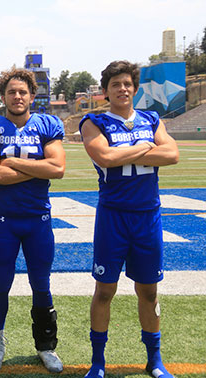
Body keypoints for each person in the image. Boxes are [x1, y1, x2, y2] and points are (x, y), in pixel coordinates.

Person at [79, 60, 179, 378]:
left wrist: (130, 150)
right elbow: (105, 157)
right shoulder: (93, 122)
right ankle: (98, 362)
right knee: (105, 290)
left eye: (127, 83)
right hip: (113, 217)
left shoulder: (151, 118)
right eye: (115, 84)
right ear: (105, 91)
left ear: (134, 88)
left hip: (148, 215)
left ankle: (155, 359)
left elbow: (172, 154)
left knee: (149, 291)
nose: (122, 89)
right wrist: (144, 145)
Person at [0, 67, 66, 374]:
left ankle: (45, 345)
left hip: (38, 219)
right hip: (4, 220)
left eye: (23, 92)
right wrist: (36, 165)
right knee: (1, 284)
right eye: (12, 91)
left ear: (31, 96)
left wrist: (11, 160)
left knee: (41, 284)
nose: (17, 96)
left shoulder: (47, 124)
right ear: (3, 96)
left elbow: (58, 168)